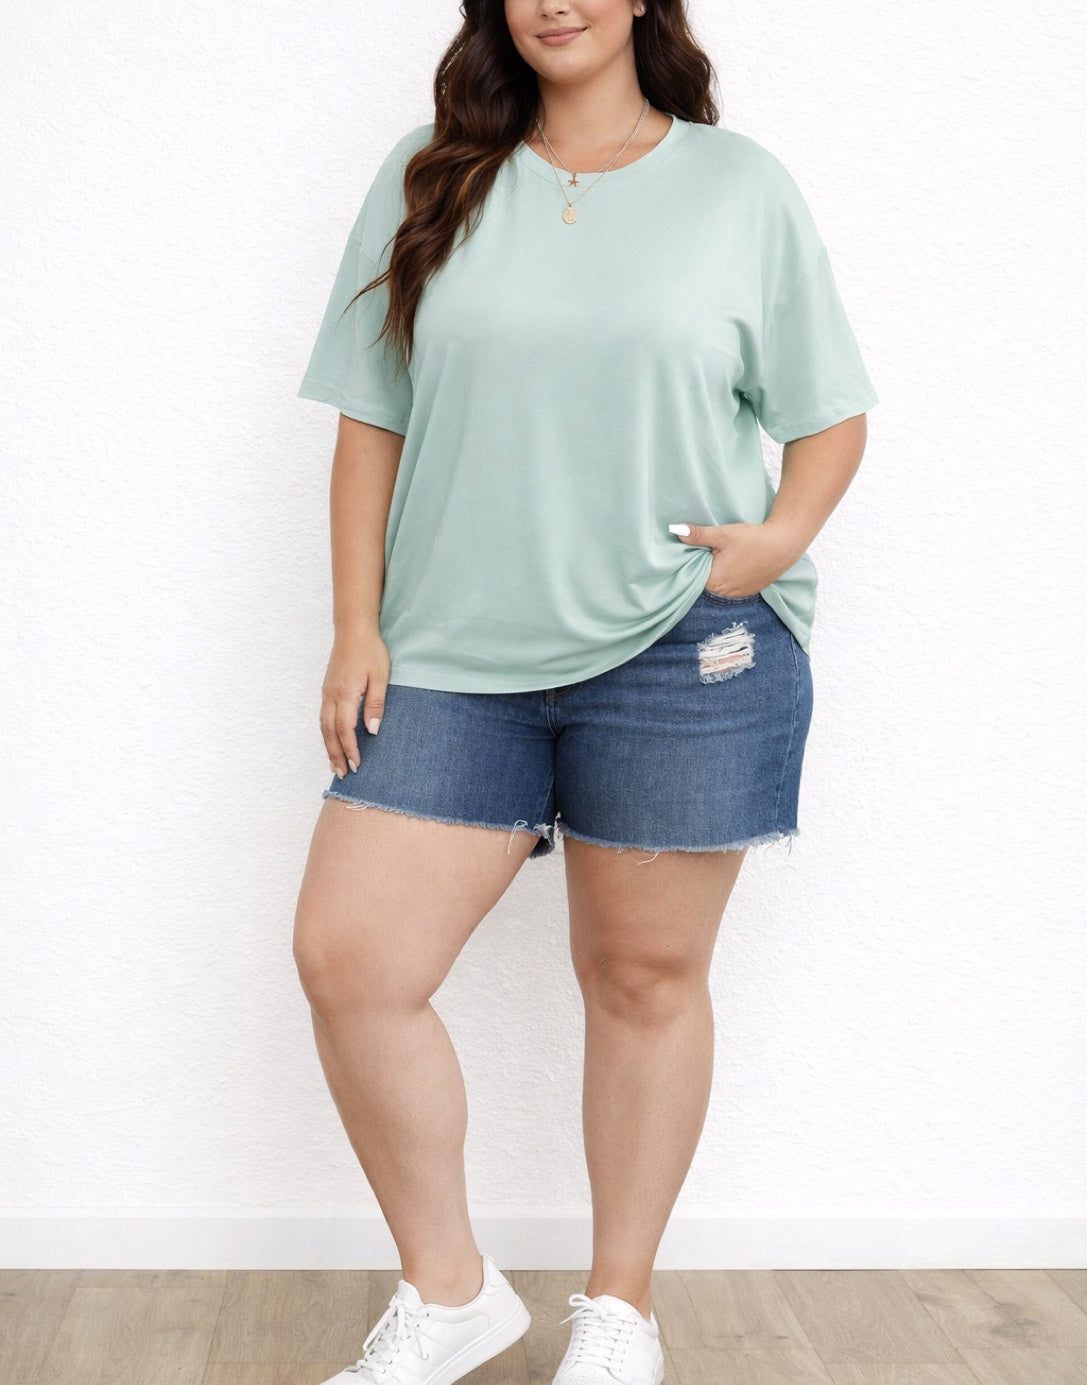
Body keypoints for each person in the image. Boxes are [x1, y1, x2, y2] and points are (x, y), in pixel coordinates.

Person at [292, 2, 878, 1382]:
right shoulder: (430, 174)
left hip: (683, 640)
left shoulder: (740, 187)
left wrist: (777, 542)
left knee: (642, 977)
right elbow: (371, 415)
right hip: (449, 651)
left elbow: (828, 410)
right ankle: (450, 1294)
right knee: (352, 958)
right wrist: (357, 623)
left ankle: (618, 1315)